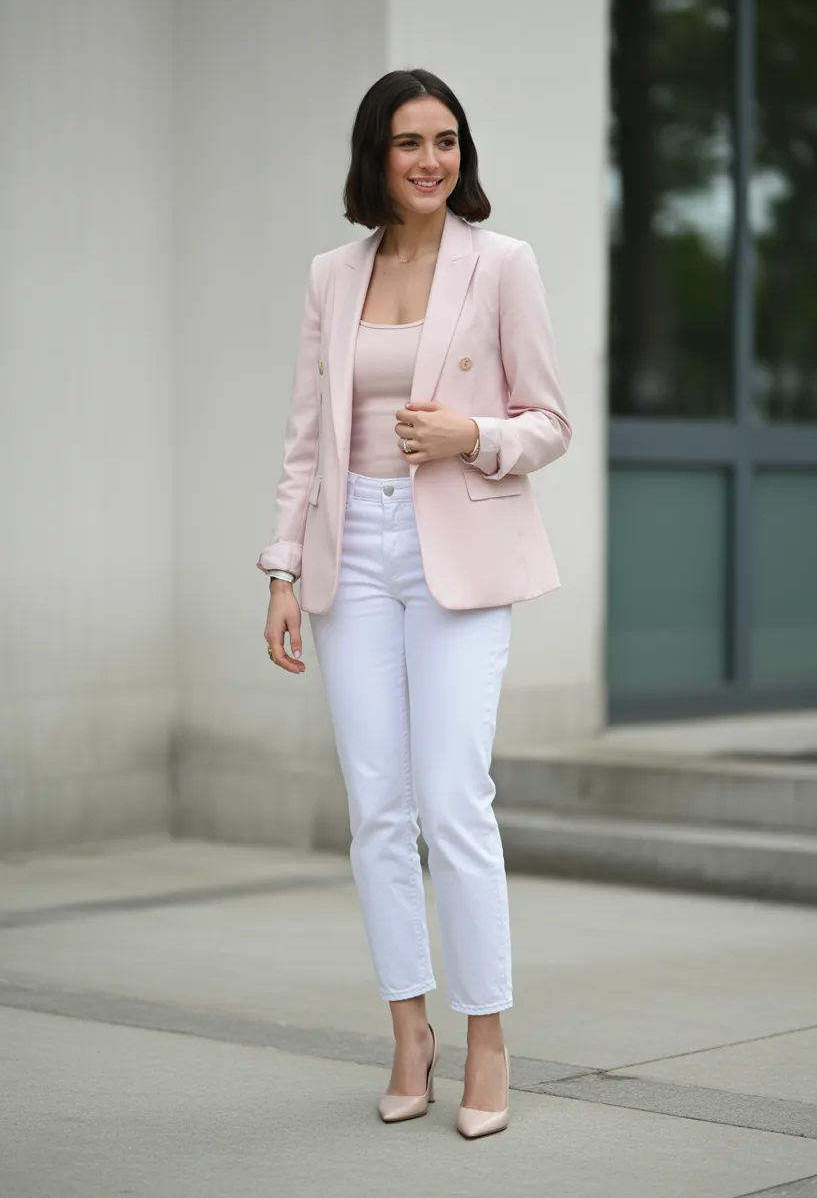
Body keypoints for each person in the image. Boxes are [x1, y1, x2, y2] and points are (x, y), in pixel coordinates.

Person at [257, 68, 570, 1139]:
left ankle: (486, 1034)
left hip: (460, 557)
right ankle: (408, 1031)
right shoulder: (330, 277)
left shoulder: (503, 265)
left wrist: (472, 437)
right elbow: (307, 439)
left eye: (446, 140)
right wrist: (284, 571)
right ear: (374, 157)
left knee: (450, 801)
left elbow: (549, 419)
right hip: (355, 555)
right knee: (376, 812)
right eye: (408, 143)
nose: (431, 159)